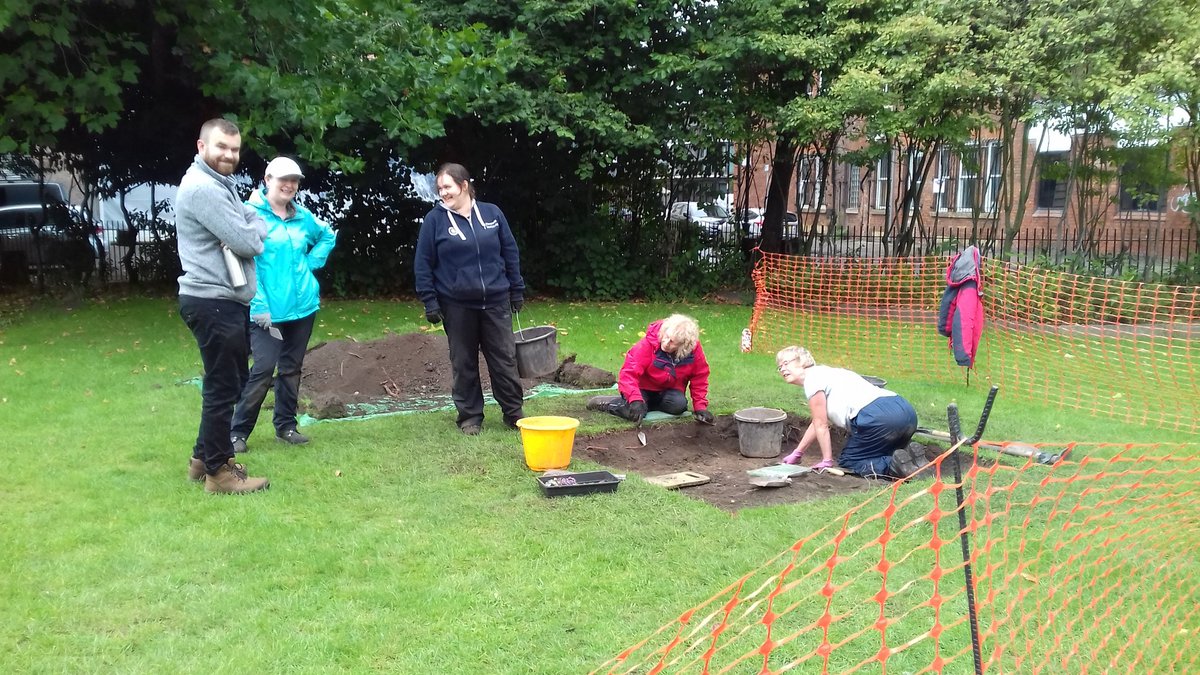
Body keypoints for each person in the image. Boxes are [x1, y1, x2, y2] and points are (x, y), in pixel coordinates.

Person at [176, 118, 270, 493]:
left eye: (234, 149)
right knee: (223, 388)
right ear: (202, 147)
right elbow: (249, 242)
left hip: (221, 300)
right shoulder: (204, 189)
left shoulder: (220, 184)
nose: (229, 155)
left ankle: (202, 459)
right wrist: (250, 231)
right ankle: (220, 473)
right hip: (212, 300)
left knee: (229, 382)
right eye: (221, 147)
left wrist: (250, 226)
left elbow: (251, 221)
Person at [230, 157, 337, 453]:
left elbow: (327, 235)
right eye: (283, 179)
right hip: (267, 312)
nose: (289, 185)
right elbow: (245, 263)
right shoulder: (250, 215)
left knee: (291, 369)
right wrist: (258, 305)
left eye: (294, 180)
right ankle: (237, 432)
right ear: (267, 180)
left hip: (303, 308)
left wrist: (310, 264)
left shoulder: (302, 216)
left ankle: (286, 426)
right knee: (264, 368)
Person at [413, 163, 525, 435]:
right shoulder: (435, 221)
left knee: (504, 360)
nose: (443, 193)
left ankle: (513, 412)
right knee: (463, 363)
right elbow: (423, 263)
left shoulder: (492, 213)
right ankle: (470, 417)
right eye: (440, 189)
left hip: (496, 300)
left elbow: (510, 252)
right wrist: (430, 301)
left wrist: (516, 289)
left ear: (463, 185)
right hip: (457, 304)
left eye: (447, 187)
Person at [775, 345, 925, 478]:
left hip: (877, 417)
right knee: (879, 452)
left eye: (786, 363)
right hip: (904, 410)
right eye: (779, 366)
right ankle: (914, 460)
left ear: (802, 361)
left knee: (851, 461)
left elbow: (821, 424)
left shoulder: (812, 380)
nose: (782, 369)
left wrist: (827, 460)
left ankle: (894, 465)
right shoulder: (829, 373)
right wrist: (798, 452)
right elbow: (817, 422)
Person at [587, 314, 714, 424]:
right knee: (634, 413)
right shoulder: (646, 345)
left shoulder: (693, 351)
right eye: (666, 336)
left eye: (672, 342)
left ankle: (645, 405)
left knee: (679, 406)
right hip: (642, 388)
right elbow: (628, 374)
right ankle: (610, 404)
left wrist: (700, 407)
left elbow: (700, 377)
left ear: (683, 345)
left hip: (667, 391)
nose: (666, 343)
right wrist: (635, 399)